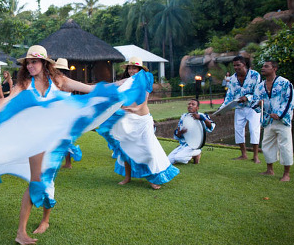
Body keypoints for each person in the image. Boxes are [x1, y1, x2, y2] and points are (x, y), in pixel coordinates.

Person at [0, 45, 95, 245]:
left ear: (44, 63)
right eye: (28, 62)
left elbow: (91, 89)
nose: (31, 65)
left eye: (34, 61)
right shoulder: (24, 83)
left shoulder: (59, 81)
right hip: (34, 138)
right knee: (36, 181)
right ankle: (21, 232)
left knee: (47, 181)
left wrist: (122, 86)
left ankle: (45, 220)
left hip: (55, 140)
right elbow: (6, 101)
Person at [97, 57, 179, 189]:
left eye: (134, 68)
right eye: (129, 68)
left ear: (140, 69)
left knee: (148, 149)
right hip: (127, 119)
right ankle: (127, 177)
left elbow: (144, 101)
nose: (131, 70)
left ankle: (153, 178)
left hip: (142, 120)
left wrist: (136, 108)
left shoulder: (145, 80)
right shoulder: (125, 83)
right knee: (125, 148)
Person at [253, 60, 294, 182]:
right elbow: (255, 102)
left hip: (282, 121)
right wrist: (258, 103)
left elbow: (290, 101)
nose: (263, 68)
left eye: (266, 66)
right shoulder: (260, 86)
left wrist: (280, 115)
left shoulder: (284, 83)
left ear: (274, 68)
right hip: (267, 121)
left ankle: (286, 174)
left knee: (285, 146)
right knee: (266, 145)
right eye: (263, 66)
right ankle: (269, 170)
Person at [218, 56, 261, 162]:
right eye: (234, 66)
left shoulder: (255, 75)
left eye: (238, 65)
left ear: (244, 65)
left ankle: (255, 156)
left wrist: (247, 97)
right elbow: (229, 96)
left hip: (253, 108)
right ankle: (243, 154)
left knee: (254, 130)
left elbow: (258, 92)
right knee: (238, 130)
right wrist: (221, 109)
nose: (236, 67)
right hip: (239, 108)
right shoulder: (232, 79)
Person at [168, 98, 215, 164]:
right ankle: (183, 152)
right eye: (189, 104)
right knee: (168, 160)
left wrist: (202, 118)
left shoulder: (202, 116)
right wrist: (179, 133)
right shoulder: (183, 116)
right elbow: (177, 133)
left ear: (197, 108)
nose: (190, 105)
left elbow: (211, 127)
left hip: (195, 145)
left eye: (193, 104)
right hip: (184, 144)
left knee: (178, 158)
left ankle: (196, 154)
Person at [54, 57, 82, 169]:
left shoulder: (65, 82)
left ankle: (67, 163)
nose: (58, 72)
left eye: (60, 70)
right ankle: (65, 162)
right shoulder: (55, 81)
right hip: (58, 112)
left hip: (65, 113)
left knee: (65, 138)